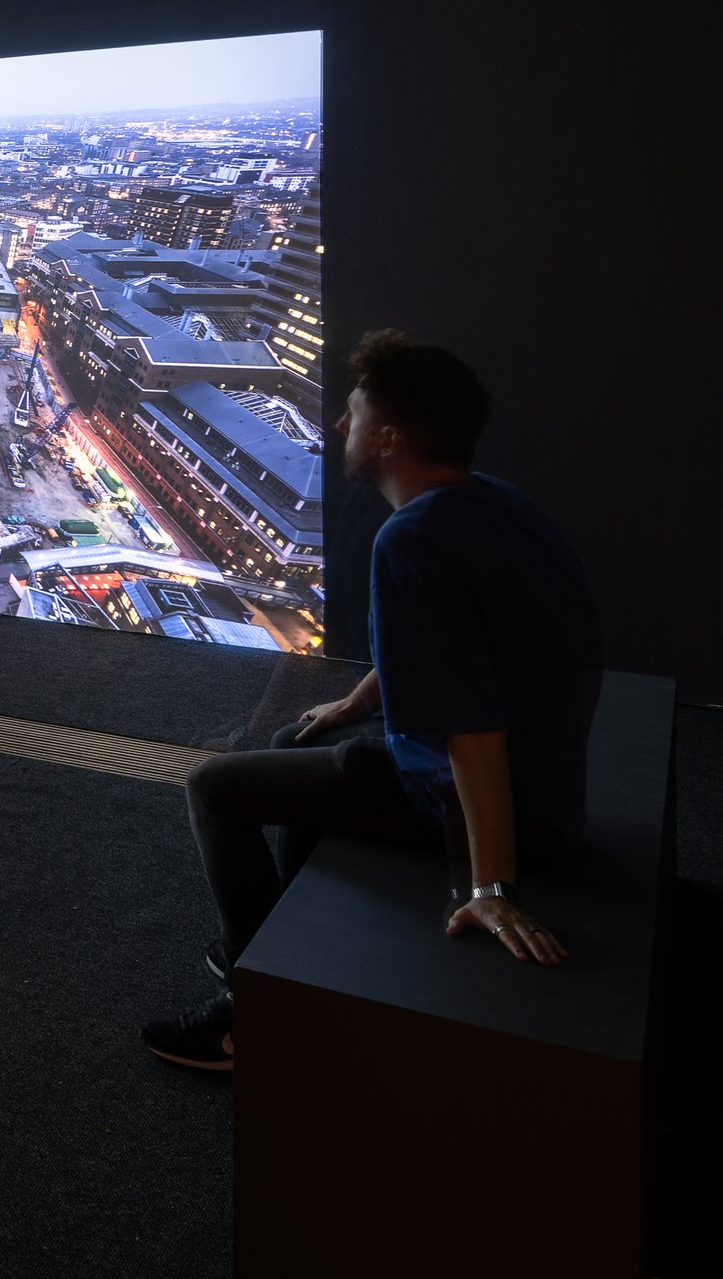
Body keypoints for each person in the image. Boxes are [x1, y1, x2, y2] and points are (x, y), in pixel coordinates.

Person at [142, 330, 602, 1070]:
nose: (336, 427)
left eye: (351, 413)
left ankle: (252, 1003)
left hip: (490, 800)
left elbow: (473, 730)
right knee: (299, 736)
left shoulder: (410, 540)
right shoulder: (489, 505)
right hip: (550, 778)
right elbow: (439, 648)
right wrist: (352, 705)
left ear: (388, 438)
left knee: (212, 787)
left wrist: (490, 885)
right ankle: (278, 951)